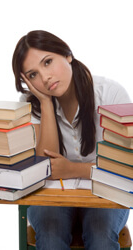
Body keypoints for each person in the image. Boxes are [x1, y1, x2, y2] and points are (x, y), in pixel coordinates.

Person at [12, 30, 131, 250]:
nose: (45, 77)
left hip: (105, 191)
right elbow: (43, 169)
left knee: (100, 233)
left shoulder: (110, 95)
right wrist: (46, 103)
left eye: (47, 62)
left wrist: (74, 169)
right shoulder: (33, 102)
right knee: (50, 232)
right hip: (53, 194)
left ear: (67, 54)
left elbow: (124, 170)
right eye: (32, 75)